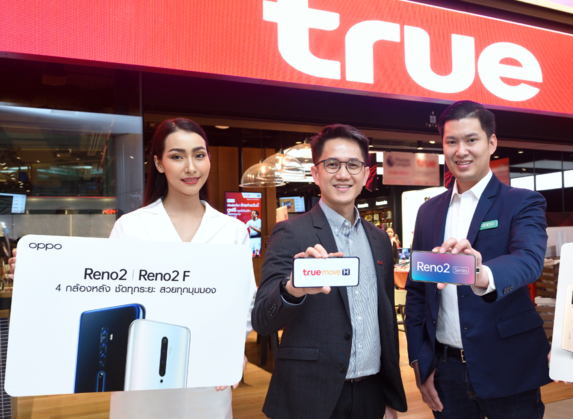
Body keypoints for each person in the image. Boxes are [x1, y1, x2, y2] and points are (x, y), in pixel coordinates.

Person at [405, 100, 550, 419]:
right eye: (451, 142)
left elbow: (528, 260)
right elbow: (417, 290)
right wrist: (419, 361)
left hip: (509, 365)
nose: (461, 151)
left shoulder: (522, 202)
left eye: (471, 140)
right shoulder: (428, 212)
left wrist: (479, 273)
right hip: (445, 371)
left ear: (491, 142)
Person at [251, 124, 407, 419]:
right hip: (309, 394)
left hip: (371, 394)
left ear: (366, 173)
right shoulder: (291, 232)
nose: (343, 174)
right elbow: (262, 319)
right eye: (332, 164)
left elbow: (385, 321)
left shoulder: (379, 240)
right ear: (315, 173)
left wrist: (389, 395)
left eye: (353, 165)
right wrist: (293, 289)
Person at [107, 118, 254, 419]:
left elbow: (244, 303)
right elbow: (107, 297)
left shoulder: (232, 231)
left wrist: (233, 351)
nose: (191, 167)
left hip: (208, 377)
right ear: (159, 164)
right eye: (177, 156)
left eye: (199, 155)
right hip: (142, 377)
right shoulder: (130, 227)